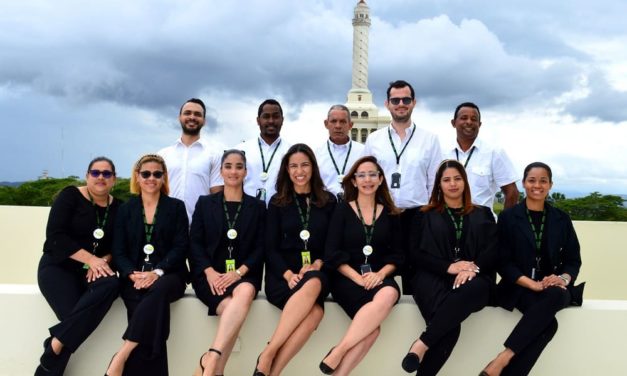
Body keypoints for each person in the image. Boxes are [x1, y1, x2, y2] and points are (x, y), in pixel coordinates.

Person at [480, 162, 582, 376]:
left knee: (556, 295)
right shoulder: (509, 217)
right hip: (518, 286)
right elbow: (502, 261)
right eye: (532, 180)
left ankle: (503, 358)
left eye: (543, 180)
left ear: (550, 184)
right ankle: (502, 364)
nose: (537, 185)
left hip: (553, 288)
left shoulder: (561, 219)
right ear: (524, 184)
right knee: (549, 326)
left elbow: (573, 259)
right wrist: (531, 284)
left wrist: (562, 278)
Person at [402, 159, 497, 375]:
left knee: (476, 289)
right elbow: (415, 254)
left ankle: (421, 344)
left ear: (465, 181)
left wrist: (471, 268)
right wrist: (448, 267)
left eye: (457, 178)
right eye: (446, 180)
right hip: (432, 277)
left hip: (473, 279)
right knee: (449, 329)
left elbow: (493, 250)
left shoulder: (483, 213)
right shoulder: (422, 215)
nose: (452, 184)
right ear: (438, 185)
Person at [255, 144, 336, 376]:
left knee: (313, 280)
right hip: (283, 277)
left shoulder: (329, 201)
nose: (299, 171)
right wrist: (289, 275)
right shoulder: (277, 202)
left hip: (317, 273)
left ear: (313, 168)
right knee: (316, 313)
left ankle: (268, 355)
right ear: (286, 170)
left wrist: (318, 264)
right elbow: (269, 248)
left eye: (304, 165)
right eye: (293, 166)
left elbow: (332, 245)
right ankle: (273, 366)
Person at [36, 157, 121, 376]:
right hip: (58, 268)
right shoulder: (70, 196)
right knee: (73, 322)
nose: (100, 177)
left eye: (106, 173)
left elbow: (119, 246)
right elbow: (55, 238)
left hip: (94, 271)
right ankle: (53, 353)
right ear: (87, 175)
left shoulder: (120, 207)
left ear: (114, 179)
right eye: (95, 172)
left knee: (112, 284)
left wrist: (102, 261)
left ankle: (52, 345)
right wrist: (90, 259)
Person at [106, 154, 189, 376]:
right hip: (134, 277)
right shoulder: (126, 209)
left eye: (157, 174)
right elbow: (118, 250)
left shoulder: (176, 207)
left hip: (169, 275)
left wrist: (157, 272)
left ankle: (122, 354)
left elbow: (181, 247)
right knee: (153, 323)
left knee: (158, 290)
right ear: (137, 177)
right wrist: (130, 274)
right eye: (146, 174)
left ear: (163, 178)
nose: (151, 178)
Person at [320, 156, 404, 375]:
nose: (368, 179)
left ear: (380, 179)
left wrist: (380, 274)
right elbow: (331, 253)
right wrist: (358, 278)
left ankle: (338, 351)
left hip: (378, 276)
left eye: (372, 174)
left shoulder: (391, 213)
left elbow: (398, 254)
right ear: (354, 181)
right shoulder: (342, 210)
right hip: (347, 278)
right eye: (362, 175)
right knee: (372, 331)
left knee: (389, 294)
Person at [189, 150, 266, 376]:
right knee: (235, 313)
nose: (234, 171)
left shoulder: (258, 206)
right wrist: (210, 272)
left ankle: (210, 359)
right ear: (221, 171)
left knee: (243, 294)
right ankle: (216, 368)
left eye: (239, 166)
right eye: (229, 166)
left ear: (246, 171)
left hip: (244, 275)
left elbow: (261, 246)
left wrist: (239, 272)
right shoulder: (205, 203)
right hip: (209, 277)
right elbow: (195, 242)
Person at [362, 80, 442, 290]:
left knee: (416, 273)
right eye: (395, 100)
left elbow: (435, 182)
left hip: (418, 215)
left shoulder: (430, 139)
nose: (401, 104)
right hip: (383, 213)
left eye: (405, 99)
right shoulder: (374, 140)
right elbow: (366, 178)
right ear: (387, 104)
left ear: (414, 103)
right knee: (381, 268)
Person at [442, 102, 519, 213]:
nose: (469, 122)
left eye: (474, 119)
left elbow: (512, 192)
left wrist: (504, 224)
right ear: (453, 123)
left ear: (480, 124)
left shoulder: (494, 152)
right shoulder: (441, 152)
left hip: (482, 223)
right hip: (447, 221)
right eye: (464, 118)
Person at [159, 98, 223, 223]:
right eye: (187, 113)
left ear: (204, 121)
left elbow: (217, 196)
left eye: (197, 114)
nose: (192, 117)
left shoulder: (215, 155)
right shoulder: (163, 155)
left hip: (200, 226)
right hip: (166, 224)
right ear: (179, 117)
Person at [235, 99, 291, 205]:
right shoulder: (241, 150)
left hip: (281, 211)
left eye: (275, 116)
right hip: (246, 211)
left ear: (282, 120)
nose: (271, 121)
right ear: (258, 120)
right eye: (266, 116)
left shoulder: (290, 151)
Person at [315, 104, 364, 200]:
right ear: (326, 124)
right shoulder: (316, 154)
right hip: (326, 207)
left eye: (343, 122)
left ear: (350, 125)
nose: (338, 126)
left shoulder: (363, 152)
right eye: (333, 121)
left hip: (355, 206)